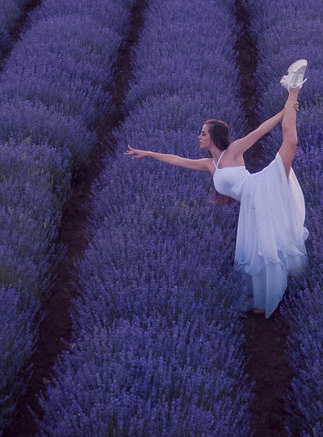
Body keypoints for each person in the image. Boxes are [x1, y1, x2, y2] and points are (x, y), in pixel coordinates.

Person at [125, 61, 308, 315]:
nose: (199, 136)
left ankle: (293, 89)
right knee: (264, 250)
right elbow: (177, 160)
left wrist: (283, 112)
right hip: (253, 203)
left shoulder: (232, 152)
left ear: (213, 137)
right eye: (200, 133)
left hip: (260, 187)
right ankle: (271, 298)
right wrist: (148, 153)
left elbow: (259, 131)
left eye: (202, 133)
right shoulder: (211, 164)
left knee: (291, 142)